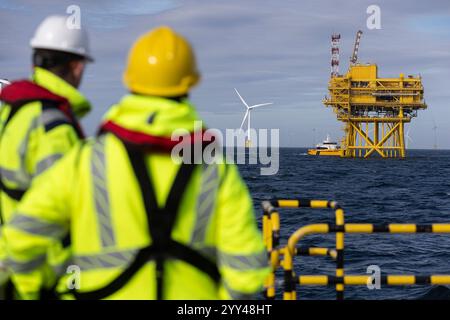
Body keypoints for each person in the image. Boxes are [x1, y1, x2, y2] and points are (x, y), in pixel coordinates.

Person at [3, 26, 269, 300]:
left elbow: (21, 237)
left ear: (129, 80)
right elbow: (247, 268)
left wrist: (31, 288)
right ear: (190, 83)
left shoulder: (85, 160)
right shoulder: (214, 168)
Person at [0, 15, 93, 299]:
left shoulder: (10, 111)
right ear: (76, 67)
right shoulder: (53, 126)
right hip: (37, 278)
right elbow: (53, 212)